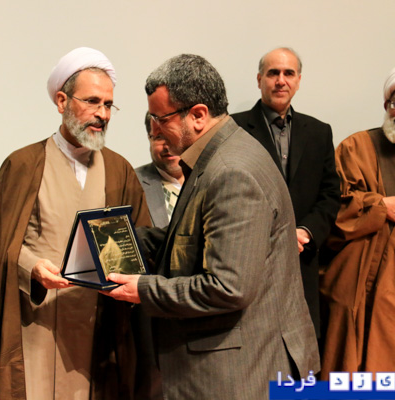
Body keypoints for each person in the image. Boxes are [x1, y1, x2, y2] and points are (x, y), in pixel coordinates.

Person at [105, 54, 319, 400]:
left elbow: (228, 287)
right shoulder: (221, 153)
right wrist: (121, 239)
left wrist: (143, 290)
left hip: (240, 372)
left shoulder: (231, 171)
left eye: (160, 118)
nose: (154, 129)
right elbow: (196, 239)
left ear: (198, 115)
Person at [0, 47, 150, 400]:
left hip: (98, 324)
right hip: (37, 321)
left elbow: (141, 243)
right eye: (92, 102)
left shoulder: (119, 169)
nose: (102, 114)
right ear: (62, 101)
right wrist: (32, 267)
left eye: (109, 105)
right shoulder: (24, 164)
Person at [231, 47, 341, 338]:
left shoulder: (319, 132)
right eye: (273, 73)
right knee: (255, 347)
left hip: (302, 261)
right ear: (259, 79)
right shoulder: (233, 128)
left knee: (302, 350)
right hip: (251, 261)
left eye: (288, 73)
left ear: (298, 80)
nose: (281, 80)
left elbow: (330, 194)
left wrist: (305, 232)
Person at [320, 68, 395, 379]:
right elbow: (332, 209)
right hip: (359, 279)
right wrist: (380, 206)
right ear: (387, 106)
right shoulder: (357, 147)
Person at [135, 112, 184, 227]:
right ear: (149, 139)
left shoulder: (208, 178)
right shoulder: (132, 184)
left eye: (174, 135)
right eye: (160, 137)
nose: (168, 146)